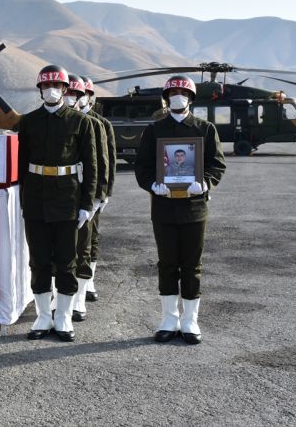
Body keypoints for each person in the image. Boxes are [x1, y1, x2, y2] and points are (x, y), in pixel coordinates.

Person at [135, 75, 225, 345]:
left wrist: (205, 183)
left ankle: (190, 321)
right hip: (163, 207)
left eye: (183, 92)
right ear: (166, 97)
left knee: (191, 264)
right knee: (166, 263)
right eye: (173, 92)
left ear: (191, 98)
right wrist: (153, 184)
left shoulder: (205, 129)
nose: (178, 96)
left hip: (194, 208)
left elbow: (216, 164)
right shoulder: (154, 131)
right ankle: (169, 319)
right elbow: (142, 167)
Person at [18, 64, 97, 342]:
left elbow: (91, 165)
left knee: (66, 261)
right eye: (46, 86)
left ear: (65, 89)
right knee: (39, 261)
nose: (51, 90)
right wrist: (21, 202)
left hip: (68, 199)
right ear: (40, 89)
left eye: (57, 86)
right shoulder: (28, 122)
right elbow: (20, 165)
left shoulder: (80, 121)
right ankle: (42, 316)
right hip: (36, 200)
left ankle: (63, 317)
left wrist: (88, 204)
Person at [61, 74, 108, 322]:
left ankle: (79, 300)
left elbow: (102, 163)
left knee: (85, 247)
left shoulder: (97, 124)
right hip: (63, 196)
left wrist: (101, 195)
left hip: (86, 196)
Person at [81, 76, 116, 303]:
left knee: (91, 235)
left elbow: (109, 161)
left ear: (90, 97)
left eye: (84, 93)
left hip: (93, 190)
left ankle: (89, 279)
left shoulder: (101, 123)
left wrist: (104, 193)